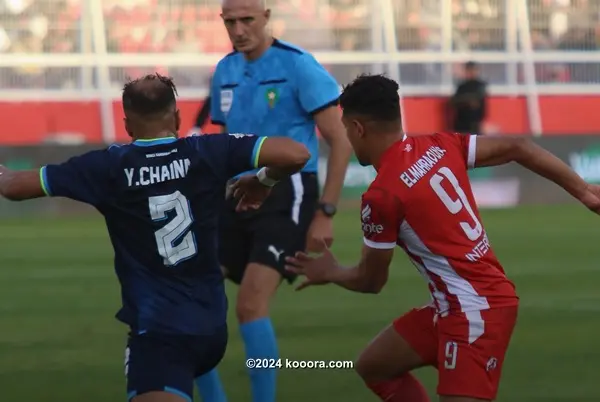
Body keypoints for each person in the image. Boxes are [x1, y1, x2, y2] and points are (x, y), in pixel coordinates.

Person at [285, 74, 600, 402]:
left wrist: (331, 272)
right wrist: (585, 192)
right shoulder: (438, 145)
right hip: (455, 304)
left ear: (358, 128)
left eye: (346, 128)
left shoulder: (382, 196)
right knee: (375, 366)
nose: (347, 136)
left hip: (475, 312)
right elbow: (518, 147)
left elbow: (371, 281)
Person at [0, 73, 310, 402]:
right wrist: (263, 180)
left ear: (128, 124)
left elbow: (14, 186)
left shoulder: (108, 167)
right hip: (210, 329)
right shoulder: (208, 150)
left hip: (160, 336)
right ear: (177, 117)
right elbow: (295, 154)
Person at [196, 0, 352, 401]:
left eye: (247, 19)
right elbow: (227, 141)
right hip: (236, 191)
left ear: (266, 18)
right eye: (230, 22)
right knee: (194, 295)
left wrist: (326, 213)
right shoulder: (225, 70)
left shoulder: (299, 66)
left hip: (290, 189)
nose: (238, 29)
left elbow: (340, 139)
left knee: (250, 305)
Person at [449, 61, 488, 135]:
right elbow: (453, 101)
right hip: (461, 121)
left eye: (473, 69)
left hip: (475, 122)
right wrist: (467, 100)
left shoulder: (480, 85)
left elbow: (478, 99)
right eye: (469, 70)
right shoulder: (461, 86)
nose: (471, 72)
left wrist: (464, 99)